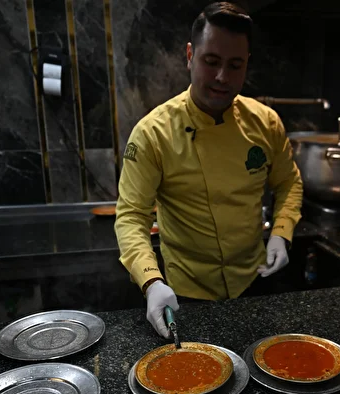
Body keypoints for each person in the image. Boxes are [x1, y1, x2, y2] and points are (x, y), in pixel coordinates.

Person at [114, 1, 303, 338]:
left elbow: (289, 182)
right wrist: (151, 281)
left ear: (247, 64)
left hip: (254, 281)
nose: (222, 77)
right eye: (211, 62)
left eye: (235, 65)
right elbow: (131, 216)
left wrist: (281, 232)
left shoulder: (266, 123)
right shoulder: (153, 133)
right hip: (186, 292)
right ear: (190, 55)